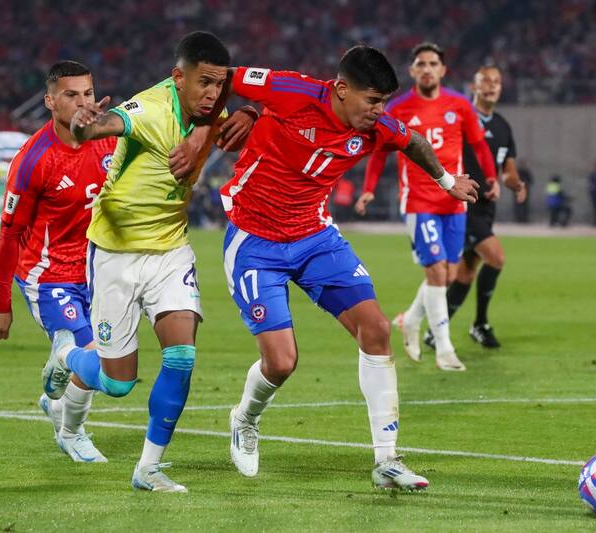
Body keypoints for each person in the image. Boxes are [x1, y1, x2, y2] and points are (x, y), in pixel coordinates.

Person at [181, 45, 479, 490]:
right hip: (255, 242)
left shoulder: (375, 127)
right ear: (341, 89)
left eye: (383, 102)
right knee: (281, 363)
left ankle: (387, 460)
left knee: (376, 327)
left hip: (315, 238)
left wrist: (446, 181)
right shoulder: (290, 91)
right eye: (373, 101)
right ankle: (244, 419)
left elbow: (413, 141)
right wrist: (230, 116)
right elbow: (216, 77)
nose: (380, 112)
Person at [39, 31, 256, 492]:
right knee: (118, 383)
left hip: (171, 252)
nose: (213, 94)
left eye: (220, 85)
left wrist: (251, 110)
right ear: (178, 77)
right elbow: (98, 128)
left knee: (181, 356)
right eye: (204, 84)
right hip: (116, 255)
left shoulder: (215, 104)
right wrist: (83, 123)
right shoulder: (149, 109)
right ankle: (66, 356)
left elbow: (279, 97)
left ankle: (148, 468)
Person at [0, 61, 116, 463]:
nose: (82, 102)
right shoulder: (33, 159)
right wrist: (1, 304)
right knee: (94, 356)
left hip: (97, 272)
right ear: (49, 101)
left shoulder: (108, 140)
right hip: (49, 277)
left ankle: (57, 398)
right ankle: (71, 433)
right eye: (71, 95)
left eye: (88, 93)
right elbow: (8, 235)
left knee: (106, 361)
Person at [356, 42, 498, 371]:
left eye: (433, 63)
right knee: (435, 273)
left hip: (454, 201)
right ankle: (445, 348)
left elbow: (478, 143)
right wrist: (368, 190)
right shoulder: (400, 108)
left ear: (443, 70)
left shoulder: (459, 105)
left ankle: (410, 319)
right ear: (412, 71)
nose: (427, 69)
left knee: (447, 275)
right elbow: (379, 151)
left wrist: (491, 178)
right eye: (421, 63)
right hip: (419, 201)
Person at [424, 65, 527, 350]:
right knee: (496, 257)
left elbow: (507, 169)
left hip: (485, 208)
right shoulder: (457, 119)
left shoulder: (503, 126)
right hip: (462, 204)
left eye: (497, 81)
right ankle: (479, 323)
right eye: (486, 81)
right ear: (474, 86)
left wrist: (513, 183)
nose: (492, 86)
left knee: (466, 273)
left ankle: (435, 331)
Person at [513, 158, 534, 223]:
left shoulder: (518, 172)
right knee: (521, 206)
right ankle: (521, 219)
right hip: (520, 190)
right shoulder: (519, 172)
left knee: (522, 206)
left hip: (522, 190)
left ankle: (522, 219)